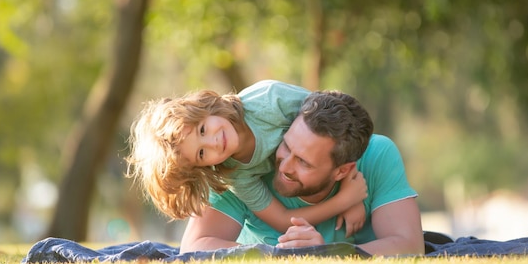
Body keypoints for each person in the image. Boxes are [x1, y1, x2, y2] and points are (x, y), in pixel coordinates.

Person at [179, 89, 425, 256]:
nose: (284, 166)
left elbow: (410, 246)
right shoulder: (235, 165)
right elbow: (193, 248)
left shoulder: (376, 155)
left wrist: (327, 253)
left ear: (343, 171)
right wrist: (279, 256)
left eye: (304, 163)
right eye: (285, 145)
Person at [126, 80, 368, 238]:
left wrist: (350, 183)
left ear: (204, 109)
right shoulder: (236, 175)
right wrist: (345, 200)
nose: (213, 142)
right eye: (201, 153)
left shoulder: (269, 100)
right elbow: (284, 220)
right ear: (201, 167)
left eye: (202, 130)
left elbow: (339, 125)